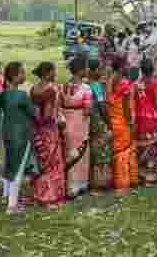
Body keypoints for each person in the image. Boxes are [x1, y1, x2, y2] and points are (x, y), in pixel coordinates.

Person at [0, 62, 38, 214]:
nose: (24, 76)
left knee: (10, 164)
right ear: (14, 77)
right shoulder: (22, 96)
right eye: (22, 73)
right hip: (21, 135)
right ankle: (12, 205)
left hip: (7, 133)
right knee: (18, 169)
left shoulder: (3, 95)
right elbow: (34, 114)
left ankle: (6, 196)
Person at [29, 62, 67, 209]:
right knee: (53, 162)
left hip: (36, 128)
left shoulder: (34, 89)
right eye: (53, 71)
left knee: (41, 160)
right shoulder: (51, 89)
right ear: (46, 73)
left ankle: (39, 193)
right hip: (49, 129)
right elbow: (49, 113)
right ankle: (51, 196)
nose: (55, 74)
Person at [62, 56, 93, 198]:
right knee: (80, 154)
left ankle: (67, 185)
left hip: (65, 123)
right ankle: (79, 185)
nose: (87, 70)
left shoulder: (63, 86)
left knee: (67, 153)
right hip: (80, 123)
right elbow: (88, 110)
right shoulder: (86, 88)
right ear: (80, 70)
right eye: (86, 67)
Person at [132, 59, 157, 186]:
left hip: (141, 119)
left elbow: (133, 103)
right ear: (152, 71)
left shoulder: (135, 84)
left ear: (141, 70)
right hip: (153, 119)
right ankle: (152, 177)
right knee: (156, 148)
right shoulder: (155, 83)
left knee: (143, 148)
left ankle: (142, 175)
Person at [107, 59, 139, 195]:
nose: (128, 67)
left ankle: (120, 181)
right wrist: (130, 121)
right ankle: (123, 184)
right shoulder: (124, 83)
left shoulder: (109, 81)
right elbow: (126, 107)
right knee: (125, 152)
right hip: (122, 121)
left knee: (117, 151)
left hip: (112, 120)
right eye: (125, 65)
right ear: (120, 68)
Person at [87, 59, 114, 194]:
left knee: (94, 151)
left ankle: (92, 182)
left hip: (89, 122)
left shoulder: (86, 84)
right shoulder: (96, 86)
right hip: (99, 122)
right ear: (93, 71)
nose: (101, 71)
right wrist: (109, 123)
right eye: (99, 69)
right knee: (102, 154)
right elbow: (102, 106)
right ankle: (101, 184)